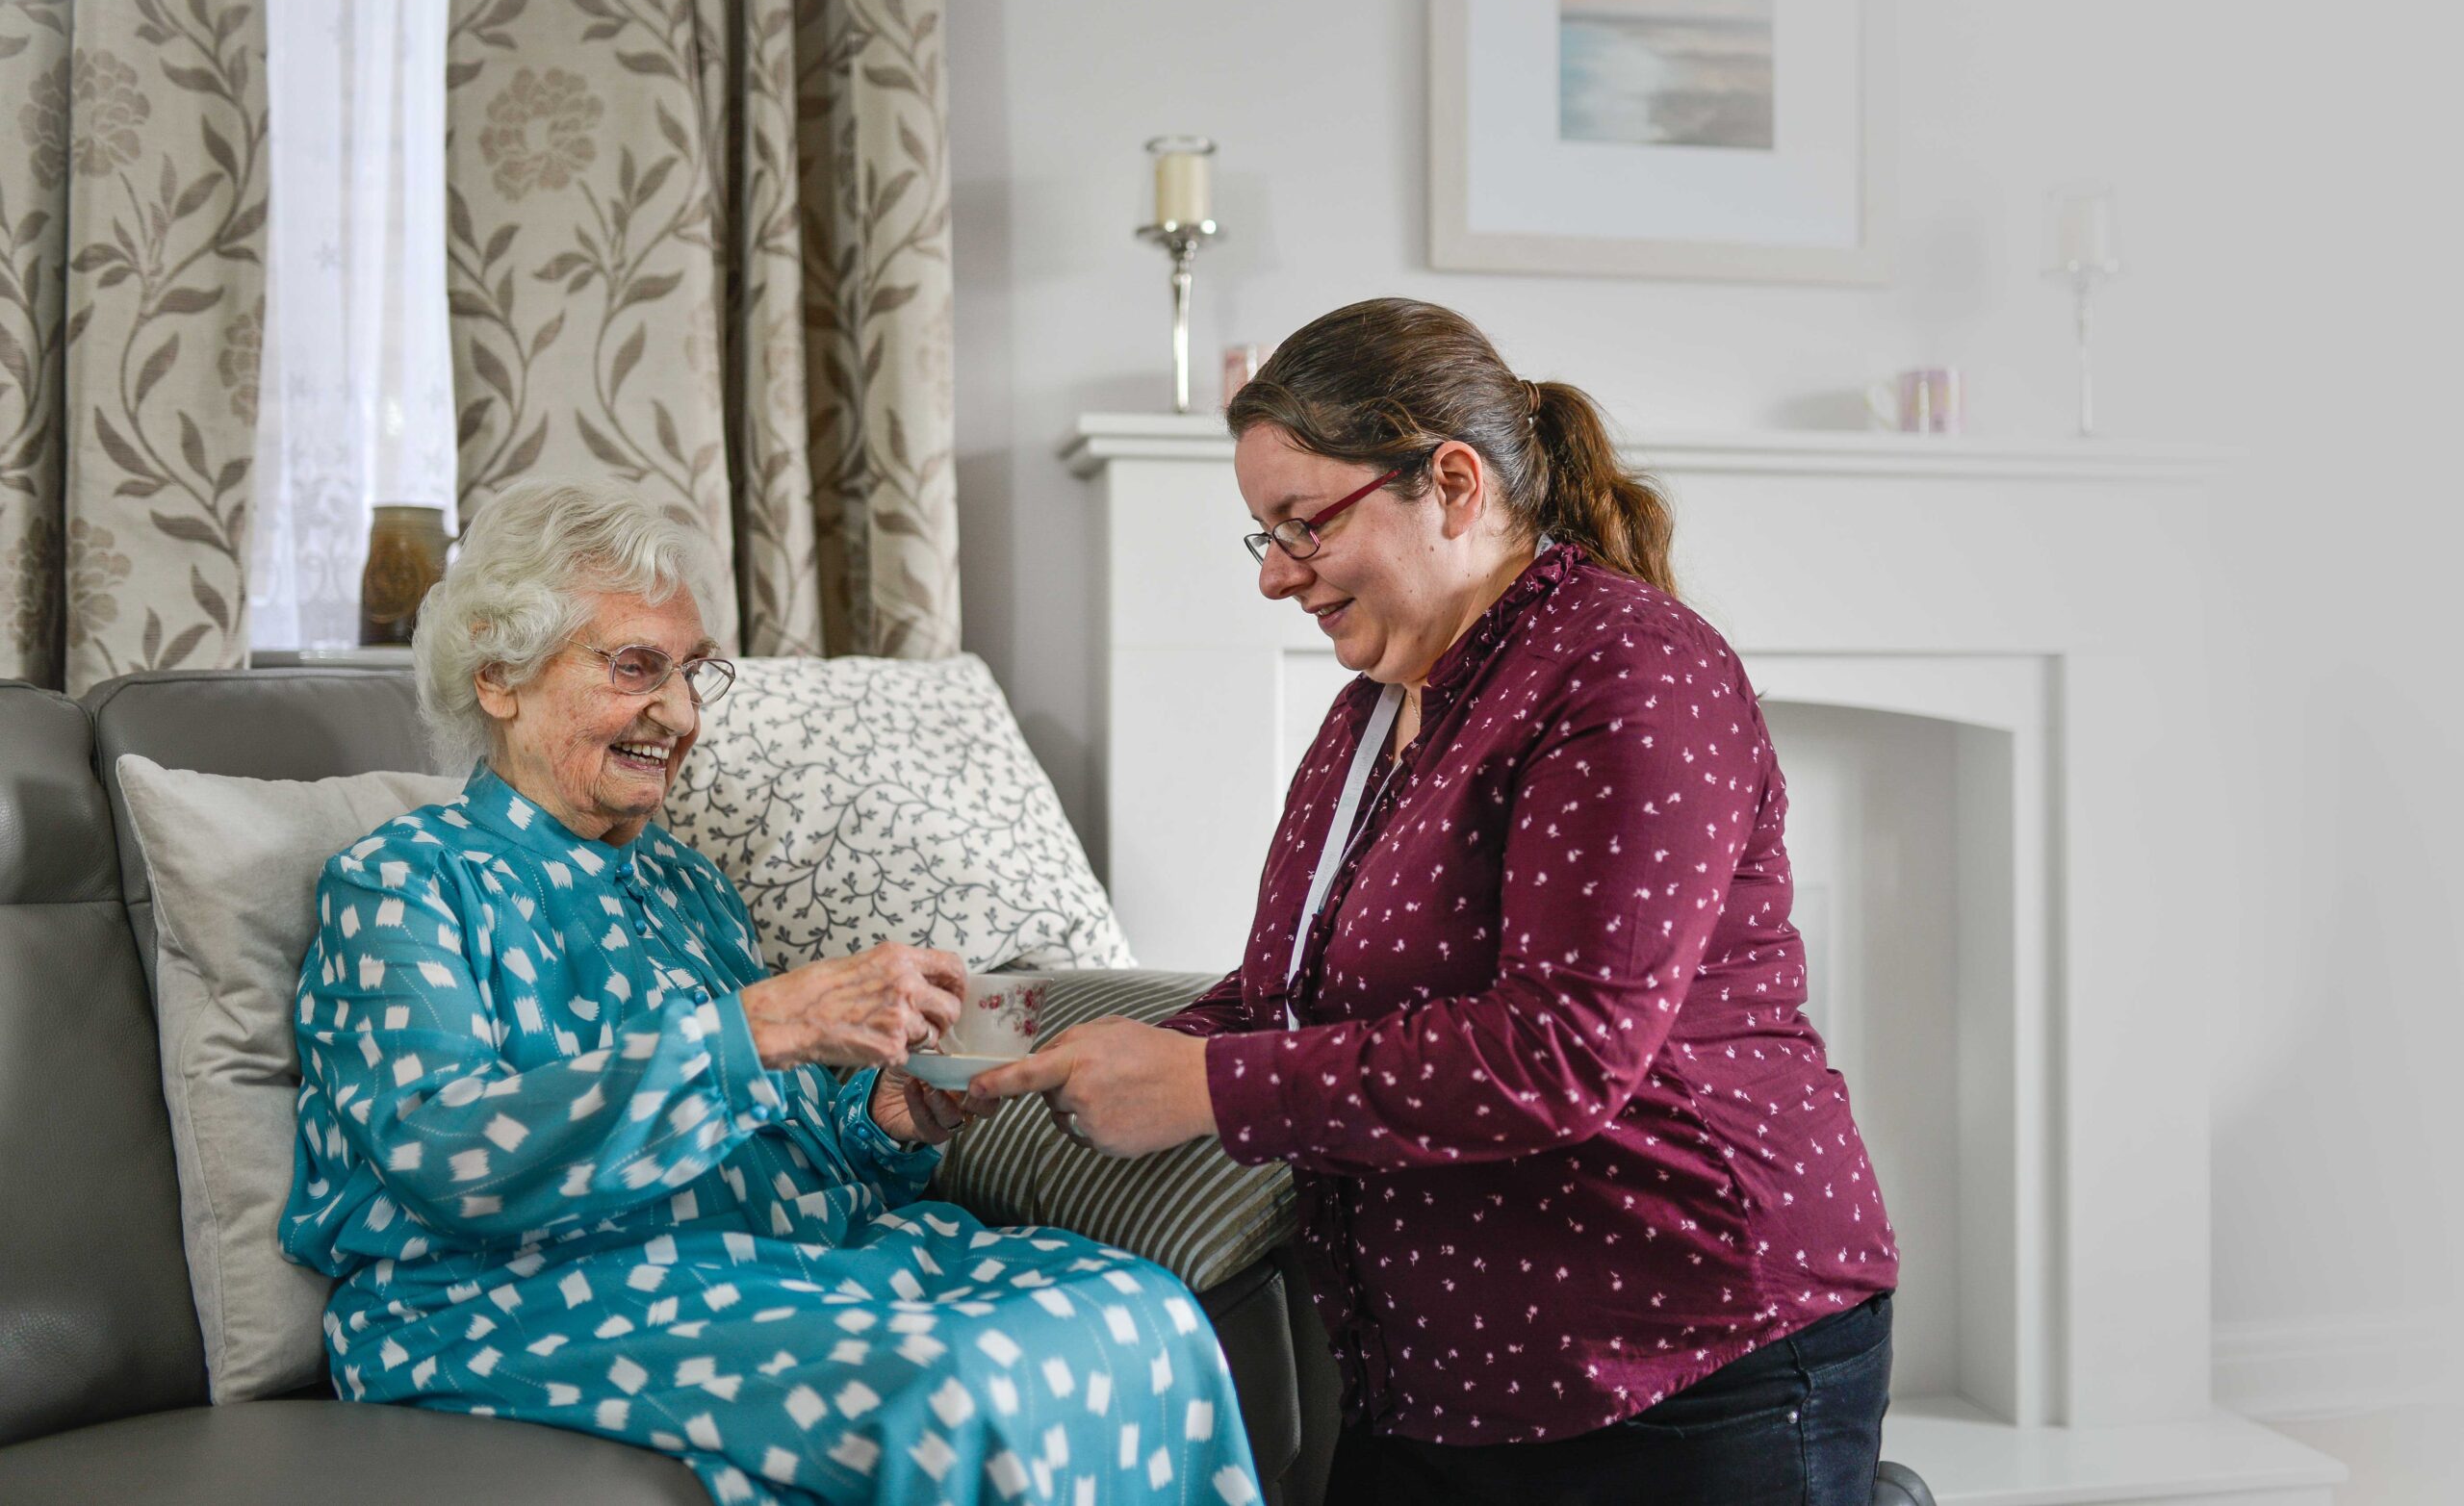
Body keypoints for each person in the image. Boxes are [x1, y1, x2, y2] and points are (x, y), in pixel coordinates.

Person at [975, 299, 1897, 1505]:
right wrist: (1030, 1063)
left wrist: (1202, 1089)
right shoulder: (1371, 714)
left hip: (1687, 1349)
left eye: (1301, 525)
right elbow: (1278, 998)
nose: (1274, 578)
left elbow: (1562, 1050)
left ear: (1453, 485)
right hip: (1438, 1379)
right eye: (1260, 537)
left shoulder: (1633, 669)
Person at [281, 479, 1261, 1506]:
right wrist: (758, 1026)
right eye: (634, 669)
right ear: (497, 680)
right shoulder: (408, 879)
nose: (680, 713)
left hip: (774, 1265)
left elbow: (779, 1144)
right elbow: (447, 1156)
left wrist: (890, 1116)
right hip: (509, 1293)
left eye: (693, 673)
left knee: (1138, 1307)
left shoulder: (685, 885)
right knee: (950, 1384)